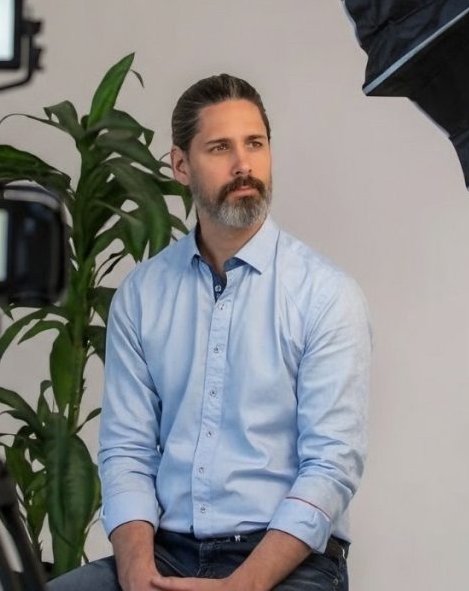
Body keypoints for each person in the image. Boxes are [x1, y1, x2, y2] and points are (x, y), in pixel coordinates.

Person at [50, 75, 372, 591]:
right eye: (220, 148)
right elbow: (127, 451)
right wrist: (137, 578)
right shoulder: (143, 293)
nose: (243, 164)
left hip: (289, 561)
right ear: (180, 165)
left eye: (255, 144)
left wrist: (239, 587)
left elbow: (331, 467)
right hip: (165, 552)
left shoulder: (326, 295)